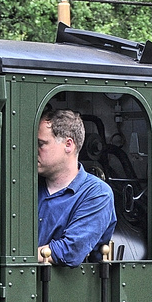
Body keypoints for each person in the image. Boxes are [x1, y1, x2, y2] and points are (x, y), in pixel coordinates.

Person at [36, 109, 116, 265]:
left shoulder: (98, 194)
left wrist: (19, 259)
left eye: (41, 144)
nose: (34, 150)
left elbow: (70, 251)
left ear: (68, 145)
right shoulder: (28, 185)